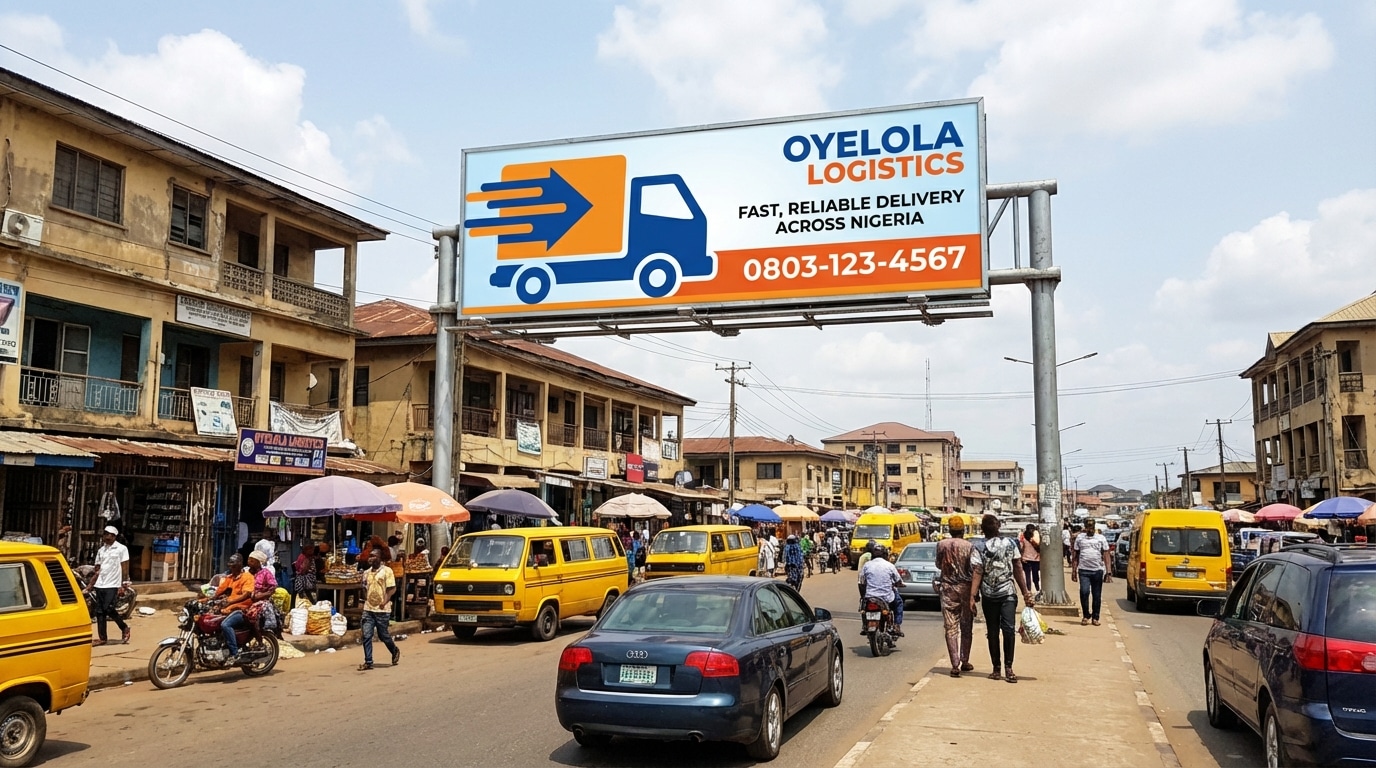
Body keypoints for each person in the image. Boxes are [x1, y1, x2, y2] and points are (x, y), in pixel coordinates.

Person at [970, 514, 1034, 683]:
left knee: (994, 632)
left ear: (982, 529)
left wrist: (972, 596)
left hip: (996, 595)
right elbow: (1018, 568)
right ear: (998, 526)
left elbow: (978, 571)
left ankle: (999, 668)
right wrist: (1026, 592)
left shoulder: (979, 546)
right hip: (1005, 594)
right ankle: (1007, 668)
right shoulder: (1009, 543)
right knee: (1007, 631)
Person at [936, 516, 977, 677]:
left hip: (947, 588)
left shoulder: (941, 545)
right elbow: (974, 568)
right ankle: (964, 660)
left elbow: (938, 564)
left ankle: (954, 664)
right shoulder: (969, 546)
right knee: (966, 626)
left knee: (950, 627)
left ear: (950, 530)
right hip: (965, 589)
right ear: (963, 530)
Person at [205, 554, 254, 661]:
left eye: (234, 566)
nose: (231, 568)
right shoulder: (229, 578)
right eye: (230, 566)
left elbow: (246, 594)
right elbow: (219, 592)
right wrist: (206, 599)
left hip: (241, 610)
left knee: (225, 625)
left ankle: (234, 653)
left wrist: (230, 601)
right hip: (227, 609)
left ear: (240, 565)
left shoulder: (247, 577)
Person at [89, 525, 131, 646]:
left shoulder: (121, 549)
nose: (106, 537)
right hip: (101, 583)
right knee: (99, 611)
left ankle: (124, 628)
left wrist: (124, 583)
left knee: (108, 608)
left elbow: (125, 566)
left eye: (109, 535)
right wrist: (92, 583)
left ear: (114, 536)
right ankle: (102, 637)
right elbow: (97, 567)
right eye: (105, 534)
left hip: (113, 583)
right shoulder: (101, 550)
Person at [359, 549, 400, 671]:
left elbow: (392, 589)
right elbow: (364, 588)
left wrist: (384, 601)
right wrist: (367, 599)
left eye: (373, 556)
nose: (370, 558)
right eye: (369, 556)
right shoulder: (366, 573)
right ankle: (368, 661)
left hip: (382, 610)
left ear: (379, 558)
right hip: (369, 609)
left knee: (383, 635)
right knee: (366, 635)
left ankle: (394, 650)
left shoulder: (387, 571)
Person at [226, 550, 278, 646]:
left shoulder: (266, 573)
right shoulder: (245, 572)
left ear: (259, 562)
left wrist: (259, 596)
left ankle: (258, 638)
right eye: (249, 560)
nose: (249, 562)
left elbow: (272, 589)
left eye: (252, 561)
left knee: (251, 616)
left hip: (260, 601)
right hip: (243, 599)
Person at [1071, 518, 1111, 626]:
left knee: (1096, 595)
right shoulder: (1080, 538)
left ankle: (1095, 617)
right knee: (1084, 592)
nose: (1090, 529)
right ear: (1085, 527)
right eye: (1088, 527)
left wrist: (1108, 572)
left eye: (1092, 527)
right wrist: (1074, 571)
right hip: (1083, 570)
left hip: (1097, 571)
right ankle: (1085, 615)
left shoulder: (1101, 538)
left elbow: (1107, 554)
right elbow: (1076, 555)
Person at [860, 544, 904, 637]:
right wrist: (900, 584)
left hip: (870, 597)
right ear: (885, 555)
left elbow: (861, 582)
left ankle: (864, 625)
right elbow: (898, 580)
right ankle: (896, 625)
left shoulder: (867, 565)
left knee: (863, 608)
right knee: (899, 602)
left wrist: (863, 596)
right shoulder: (890, 566)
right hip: (887, 598)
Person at [1020, 523, 1041, 596]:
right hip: (1036, 559)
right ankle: (1037, 589)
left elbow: (1021, 548)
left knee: (1027, 575)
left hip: (1026, 559)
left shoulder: (1023, 537)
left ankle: (1028, 591)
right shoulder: (1036, 537)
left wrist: (1021, 557)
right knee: (1036, 575)